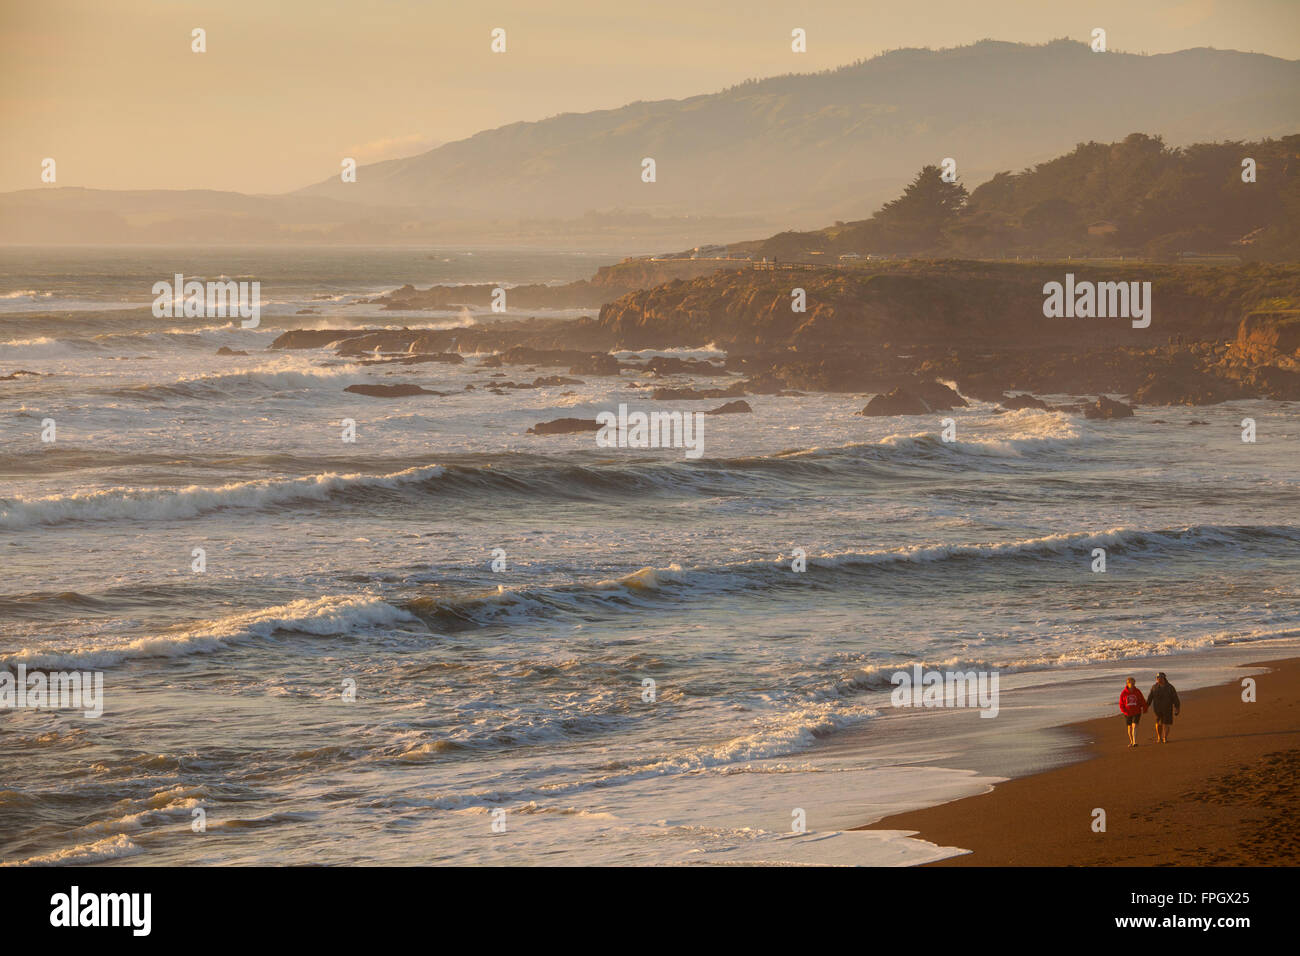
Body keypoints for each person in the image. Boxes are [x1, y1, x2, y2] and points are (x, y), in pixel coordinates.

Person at [1147, 672, 1181, 744]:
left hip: (1167, 708)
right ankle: (1159, 737)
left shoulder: (1170, 687)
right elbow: (1150, 698)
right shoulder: (1154, 687)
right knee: (1158, 723)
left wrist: (1177, 708)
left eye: (1160, 678)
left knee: (1166, 723)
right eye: (1157, 678)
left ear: (1164, 678)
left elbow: (1175, 698)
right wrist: (1146, 706)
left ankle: (1165, 737)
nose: (1158, 679)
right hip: (1157, 709)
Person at [1118, 677, 1147, 748]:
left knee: (1135, 726)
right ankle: (1131, 741)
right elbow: (1121, 704)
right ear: (1128, 683)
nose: (1133, 684)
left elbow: (1142, 700)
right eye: (1131, 683)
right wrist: (1124, 711)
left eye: (1134, 683)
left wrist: (1145, 708)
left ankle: (1135, 742)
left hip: (1137, 711)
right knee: (1129, 727)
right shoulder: (1123, 693)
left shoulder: (1137, 691)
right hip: (1127, 713)